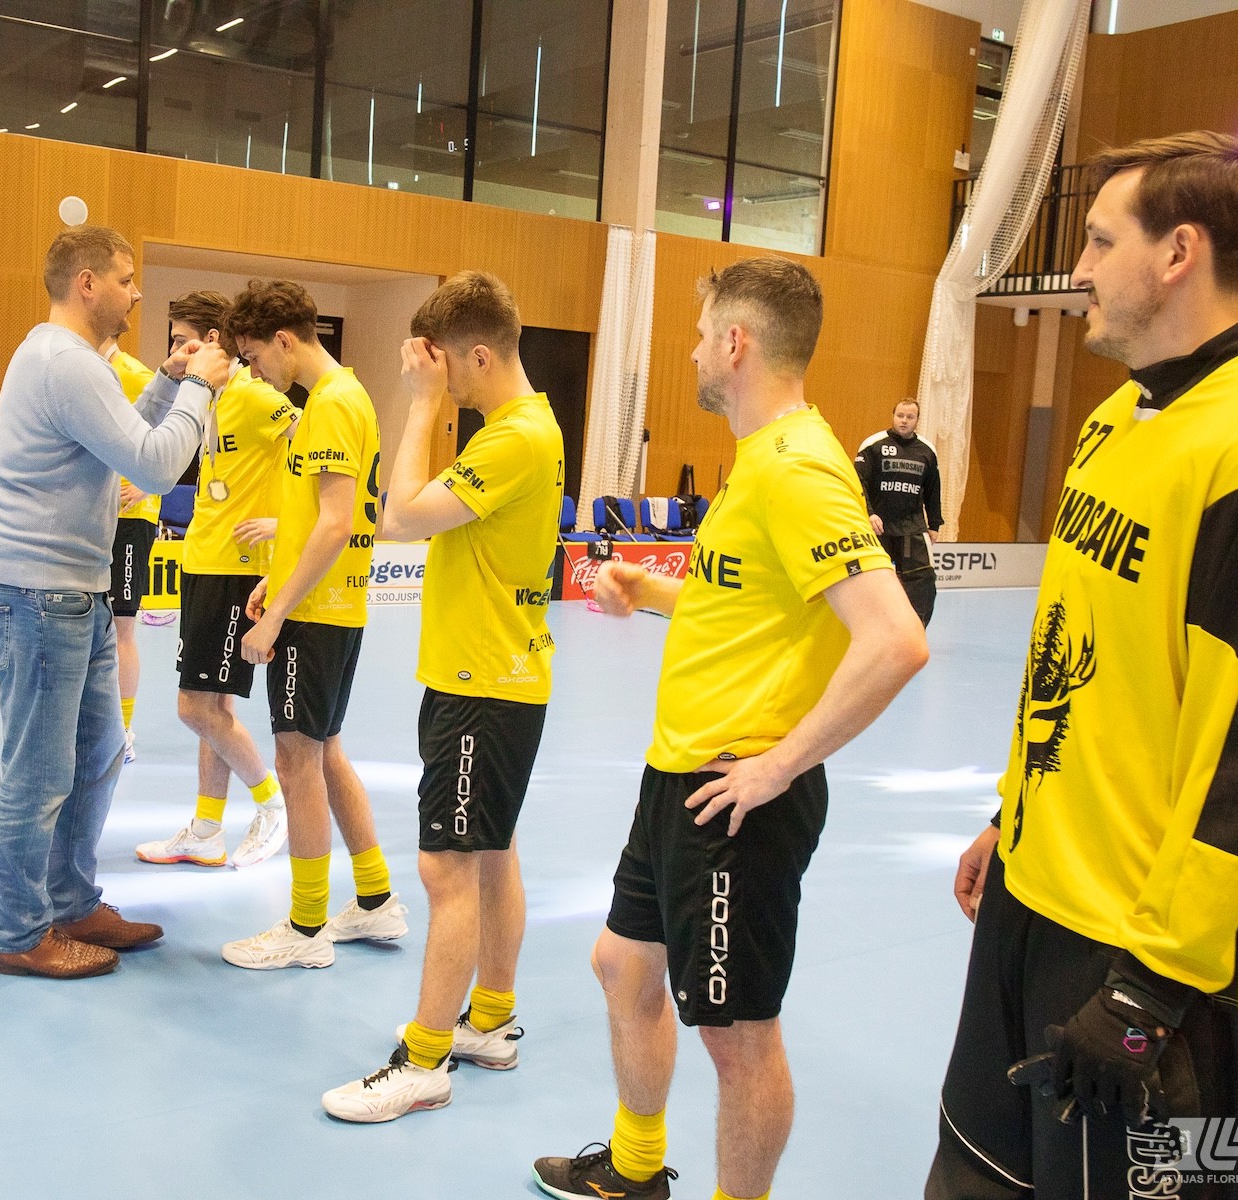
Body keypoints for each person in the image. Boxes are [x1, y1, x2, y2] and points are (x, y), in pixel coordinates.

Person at [928, 132, 1238, 1200]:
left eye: (1099, 241)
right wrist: (1015, 814)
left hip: (1152, 961)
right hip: (1034, 902)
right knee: (975, 1176)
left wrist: (1151, 987)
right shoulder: (1118, 415)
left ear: (1179, 253)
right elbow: (1084, 661)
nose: (1077, 269)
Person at [531, 258, 928, 1200]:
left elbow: (895, 639)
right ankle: (635, 1169)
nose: (695, 352)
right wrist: (651, 589)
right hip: (677, 775)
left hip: (736, 797)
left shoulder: (799, 470)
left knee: (736, 1037)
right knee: (623, 966)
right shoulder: (764, 459)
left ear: (737, 343)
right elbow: (752, 601)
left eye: (703, 335)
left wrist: (779, 766)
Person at [321, 272, 562, 1121]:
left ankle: (422, 1061)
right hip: (497, 674)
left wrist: (420, 404)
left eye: (445, 367)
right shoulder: (526, 427)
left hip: (481, 683)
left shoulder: (513, 439)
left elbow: (402, 518)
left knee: (447, 866)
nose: (441, 381)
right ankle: (488, 1020)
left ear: (478, 356)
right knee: (492, 851)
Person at [0, 225, 231, 980]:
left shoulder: (71, 362)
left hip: (67, 592)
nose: (136, 293)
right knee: (38, 774)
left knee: (97, 755)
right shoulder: (67, 363)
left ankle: (72, 902)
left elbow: (118, 435)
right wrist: (199, 387)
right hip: (39, 593)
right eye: (125, 278)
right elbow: (152, 466)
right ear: (87, 283)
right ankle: (22, 935)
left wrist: (167, 382)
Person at [219, 279, 406, 969]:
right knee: (323, 752)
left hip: (317, 616)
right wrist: (279, 576)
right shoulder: (343, 397)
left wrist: (278, 616)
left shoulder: (330, 404)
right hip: (328, 604)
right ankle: (376, 898)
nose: (253, 371)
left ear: (285, 340)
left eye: (254, 356)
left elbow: (336, 523)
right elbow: (322, 517)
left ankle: (305, 930)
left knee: (296, 761)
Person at [134, 290, 296, 869]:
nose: (176, 351)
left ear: (213, 341)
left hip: (235, 568)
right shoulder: (208, 398)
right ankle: (206, 829)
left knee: (194, 709)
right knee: (214, 709)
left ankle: (272, 803)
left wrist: (285, 522)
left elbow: (322, 453)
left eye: (183, 340)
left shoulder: (254, 395)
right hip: (202, 560)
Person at [99, 335, 162, 766]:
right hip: (92, 514)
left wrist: (148, 484)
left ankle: (122, 730)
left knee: (122, 626)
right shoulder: (84, 372)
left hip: (130, 519)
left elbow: (180, 435)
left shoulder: (137, 375)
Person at [854, 397, 942, 625]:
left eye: (909, 417)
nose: (904, 421)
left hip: (912, 527)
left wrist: (934, 524)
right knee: (867, 581)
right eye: (900, 416)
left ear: (917, 420)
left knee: (923, 580)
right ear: (893, 416)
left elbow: (933, 490)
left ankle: (915, 629)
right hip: (877, 527)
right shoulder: (873, 445)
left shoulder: (927, 451)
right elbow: (858, 483)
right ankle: (868, 628)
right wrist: (869, 513)